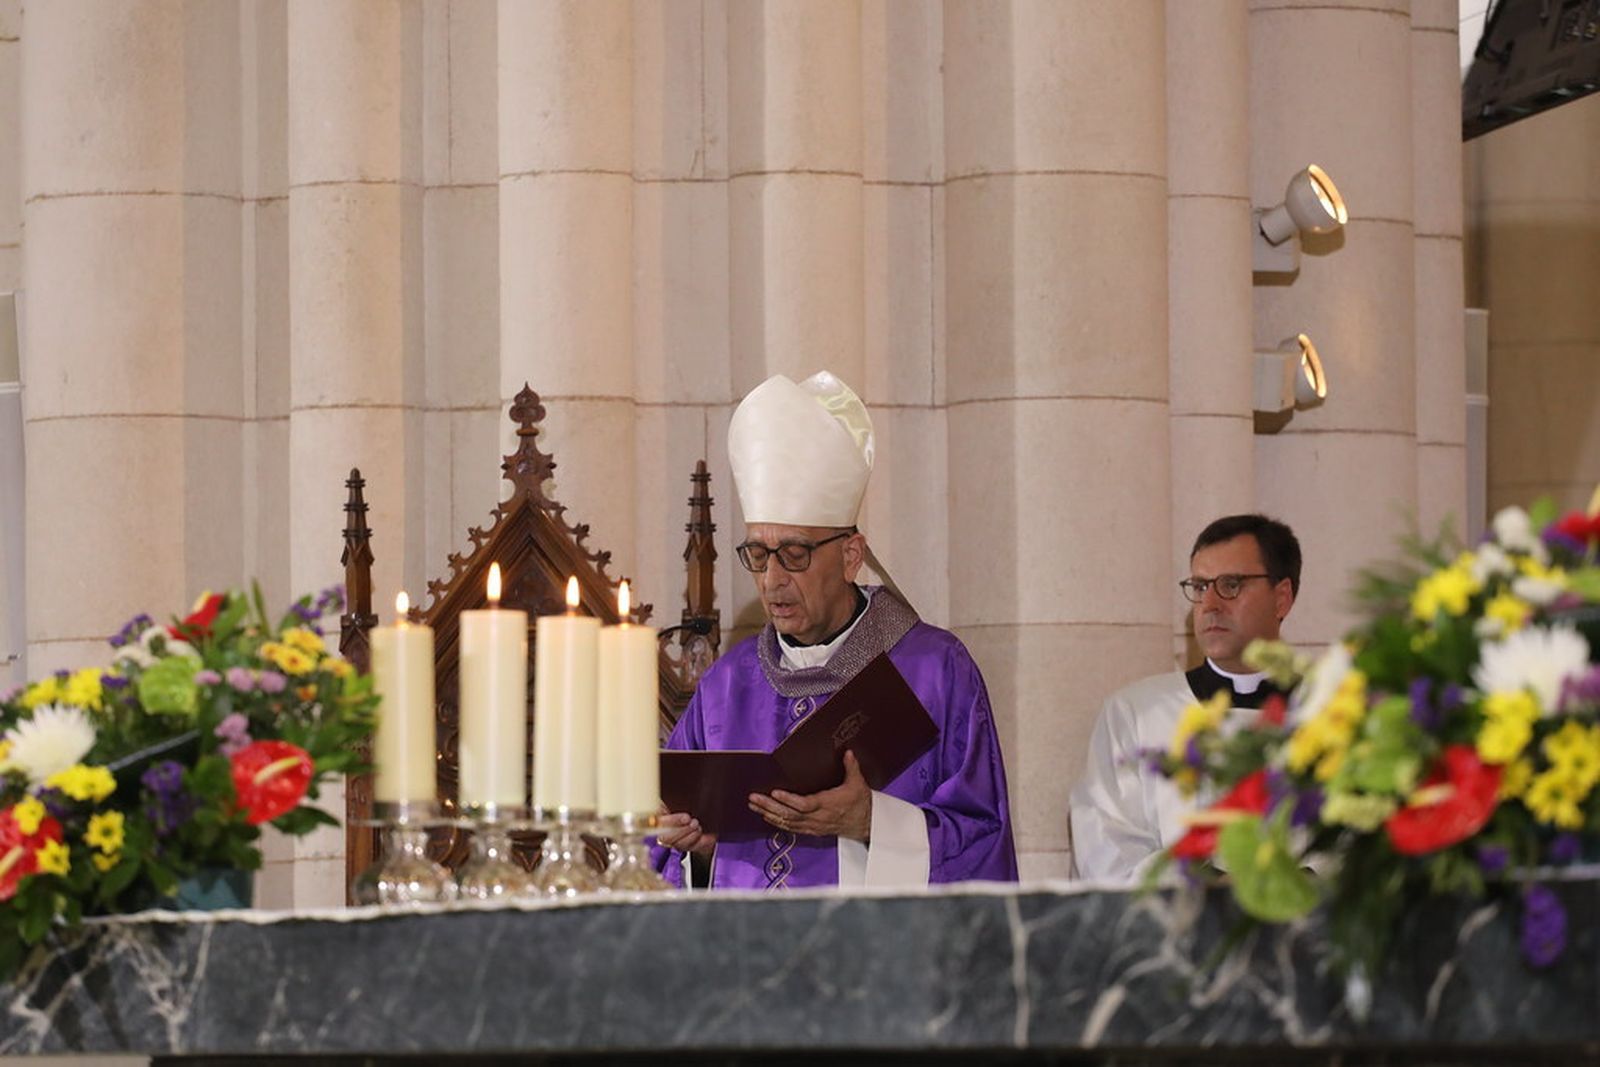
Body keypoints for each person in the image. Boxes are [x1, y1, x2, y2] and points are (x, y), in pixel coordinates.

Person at [655, 371, 1017, 889]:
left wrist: (874, 824)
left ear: (850, 556)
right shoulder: (725, 687)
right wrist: (699, 850)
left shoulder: (934, 671)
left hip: (874, 960)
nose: (772, 579)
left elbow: (984, 841)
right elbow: (665, 853)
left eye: (795, 553)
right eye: (758, 554)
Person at [1069, 514, 1302, 881]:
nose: (1209, 604)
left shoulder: (1336, 715)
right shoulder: (1135, 713)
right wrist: (1216, 888)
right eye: (1199, 586)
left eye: (1230, 585)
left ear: (1282, 597)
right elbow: (1107, 853)